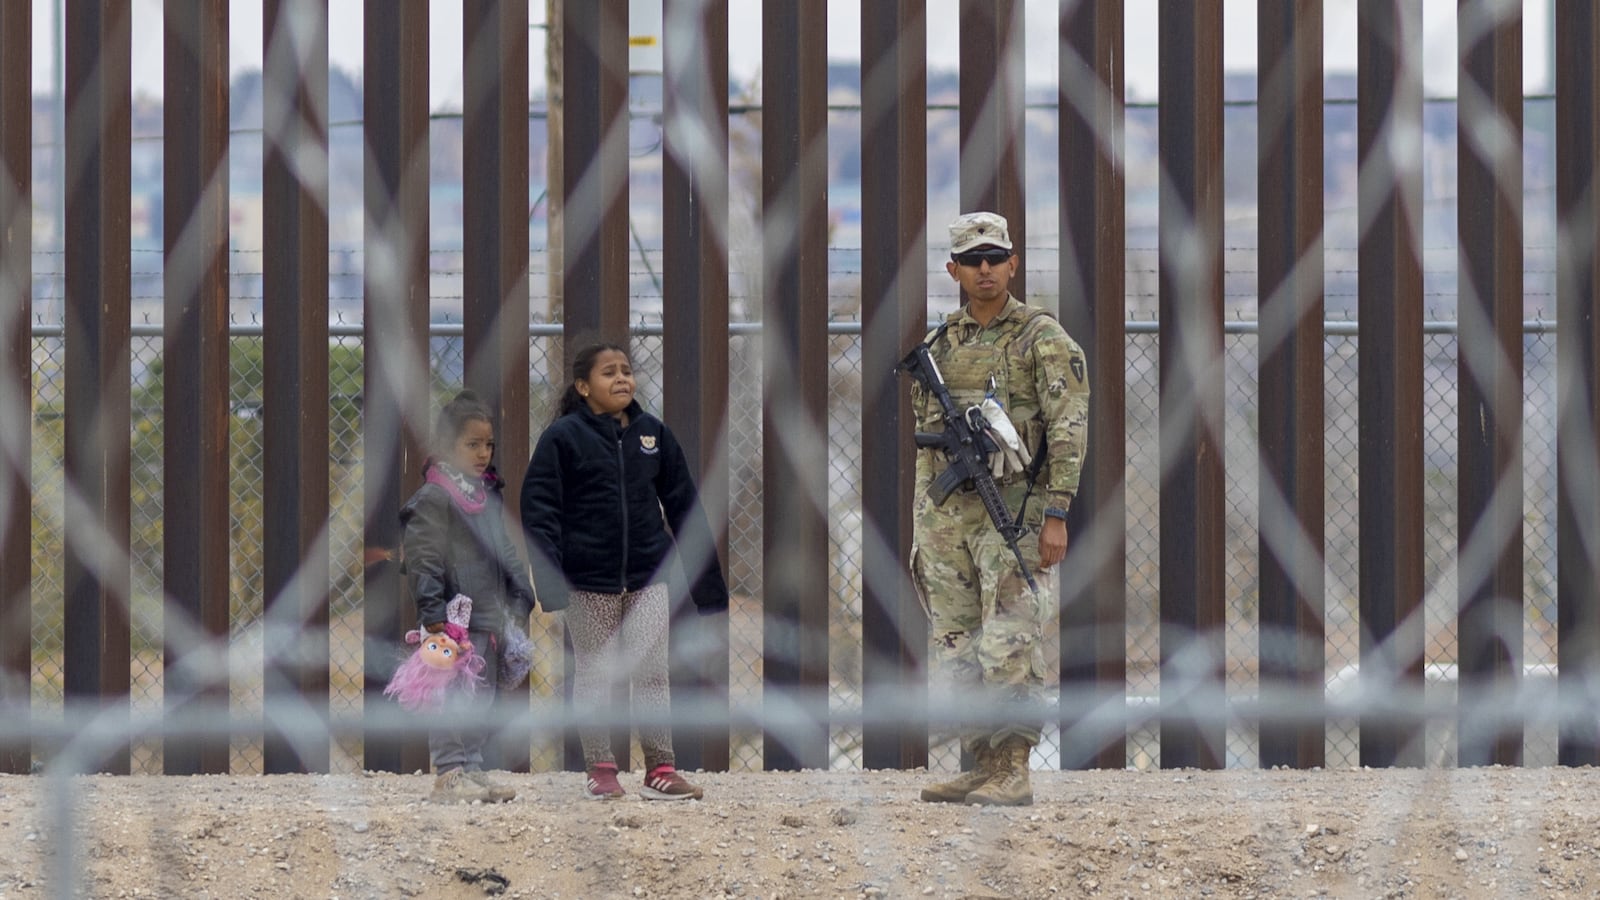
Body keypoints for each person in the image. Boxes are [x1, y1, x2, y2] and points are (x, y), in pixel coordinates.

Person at [909, 211, 1090, 806]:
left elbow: (1068, 428)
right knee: (956, 642)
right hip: (947, 517)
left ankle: (1013, 768)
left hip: (1013, 511)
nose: (985, 269)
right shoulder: (939, 343)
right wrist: (926, 525)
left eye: (995, 258)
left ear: (1013, 263)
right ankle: (982, 763)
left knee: (1010, 638)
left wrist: (1057, 511)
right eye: (972, 260)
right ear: (953, 269)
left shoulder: (1042, 337)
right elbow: (926, 434)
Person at [520, 342, 729, 801]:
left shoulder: (652, 434)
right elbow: (539, 510)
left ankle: (661, 768)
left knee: (652, 671)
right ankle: (601, 768)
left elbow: (684, 507)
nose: (621, 380)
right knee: (595, 674)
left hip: (648, 579)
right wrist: (552, 579)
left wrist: (709, 588)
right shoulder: (563, 438)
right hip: (587, 583)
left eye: (626, 371)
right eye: (608, 373)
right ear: (582, 386)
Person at [399, 389, 538, 804]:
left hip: (489, 614)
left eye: (488, 445)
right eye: (472, 444)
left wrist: (520, 592)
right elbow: (422, 558)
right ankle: (449, 772)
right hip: (451, 620)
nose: (483, 453)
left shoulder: (485, 495)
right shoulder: (435, 498)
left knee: (482, 696)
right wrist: (431, 611)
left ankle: (473, 769)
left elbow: (506, 550)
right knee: (451, 696)